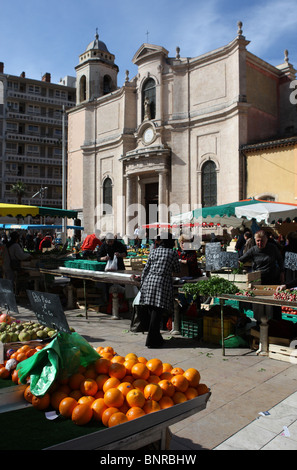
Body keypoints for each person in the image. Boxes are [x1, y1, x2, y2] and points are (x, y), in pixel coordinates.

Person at [139, 232, 180, 348]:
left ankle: (156, 338)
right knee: (157, 312)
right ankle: (151, 340)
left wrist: (142, 284)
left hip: (150, 281)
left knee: (153, 310)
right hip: (162, 283)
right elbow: (177, 269)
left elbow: (146, 269)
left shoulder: (154, 251)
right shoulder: (172, 253)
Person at [239, 230, 285, 321]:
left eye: (262, 241)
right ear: (255, 241)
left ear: (266, 240)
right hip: (258, 281)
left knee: (271, 304)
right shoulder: (253, 250)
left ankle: (272, 323)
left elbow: (280, 260)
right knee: (258, 304)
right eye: (258, 241)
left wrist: (282, 273)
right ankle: (259, 324)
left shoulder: (272, 248)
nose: (260, 243)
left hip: (272, 279)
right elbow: (241, 260)